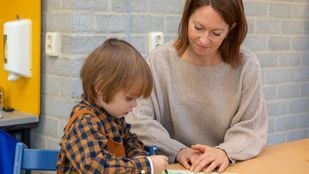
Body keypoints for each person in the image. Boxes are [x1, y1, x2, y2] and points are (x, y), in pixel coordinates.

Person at [126, 0, 268, 173]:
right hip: (173, 165)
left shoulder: (247, 65)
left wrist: (224, 152)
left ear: (230, 29)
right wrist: (177, 150)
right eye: (198, 27)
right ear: (186, 19)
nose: (204, 40)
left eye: (216, 33)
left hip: (225, 167)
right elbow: (137, 119)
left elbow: (252, 128)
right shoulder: (159, 60)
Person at [57, 38, 168, 174]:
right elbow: (95, 169)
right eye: (129, 98)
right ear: (101, 88)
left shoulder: (114, 117)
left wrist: (137, 156)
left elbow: (130, 140)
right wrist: (146, 166)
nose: (134, 105)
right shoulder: (84, 122)